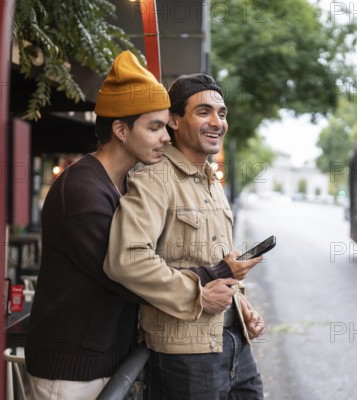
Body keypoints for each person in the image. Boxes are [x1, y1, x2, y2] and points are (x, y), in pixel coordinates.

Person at [24, 52, 247, 400]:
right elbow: (123, 275)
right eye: (154, 127)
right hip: (72, 368)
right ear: (121, 129)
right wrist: (214, 274)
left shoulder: (121, 183)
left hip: (109, 357)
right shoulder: (82, 190)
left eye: (164, 126)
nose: (165, 137)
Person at [104, 73, 265, 399]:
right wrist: (197, 295)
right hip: (184, 353)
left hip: (235, 342)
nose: (217, 122)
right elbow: (126, 260)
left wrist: (241, 304)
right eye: (203, 112)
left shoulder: (212, 183)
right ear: (174, 121)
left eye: (222, 113)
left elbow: (216, 264)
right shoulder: (154, 180)